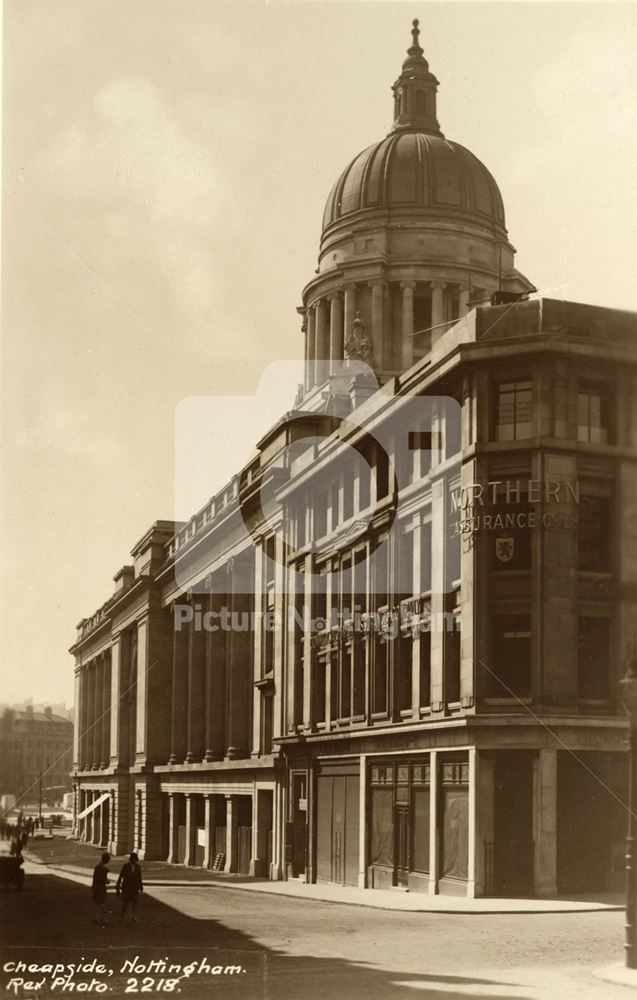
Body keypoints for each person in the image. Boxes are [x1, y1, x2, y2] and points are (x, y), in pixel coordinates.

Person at [116, 852, 143, 922]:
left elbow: (139, 878)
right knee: (125, 903)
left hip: (135, 888)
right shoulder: (125, 866)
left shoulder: (138, 867)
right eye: (133, 859)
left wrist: (141, 887)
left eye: (135, 860)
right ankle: (121, 916)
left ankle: (134, 917)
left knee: (135, 904)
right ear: (131, 859)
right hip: (127, 887)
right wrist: (117, 887)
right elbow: (120, 876)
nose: (134, 861)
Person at [91, 852, 111, 927]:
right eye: (108, 859)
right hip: (99, 888)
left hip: (98, 887)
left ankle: (97, 918)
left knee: (99, 904)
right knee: (102, 903)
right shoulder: (100, 867)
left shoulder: (100, 867)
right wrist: (106, 881)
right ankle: (100, 919)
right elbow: (98, 878)